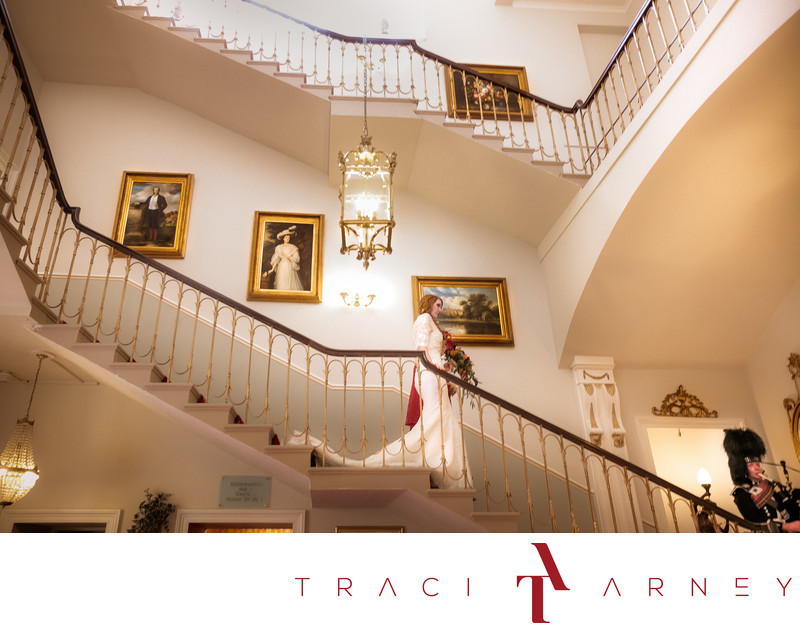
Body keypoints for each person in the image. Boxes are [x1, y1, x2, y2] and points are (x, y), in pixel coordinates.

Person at [287, 294, 473, 489]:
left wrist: (445, 366)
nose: (440, 309)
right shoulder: (424, 319)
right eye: (437, 304)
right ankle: (430, 457)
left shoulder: (435, 325)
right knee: (436, 413)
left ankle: (439, 459)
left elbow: (435, 350)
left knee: (441, 414)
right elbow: (421, 348)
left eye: (441, 305)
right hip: (429, 371)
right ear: (428, 304)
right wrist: (434, 366)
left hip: (437, 371)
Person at [723, 428, 800, 532]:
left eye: (757, 464)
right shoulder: (741, 494)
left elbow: (789, 496)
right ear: (741, 468)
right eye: (751, 465)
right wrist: (788, 526)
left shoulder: (770, 483)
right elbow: (755, 522)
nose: (757, 467)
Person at [262, 226, 304, 291]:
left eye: (289, 237)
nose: (288, 239)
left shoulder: (293, 248)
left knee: (290, 284)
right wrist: (272, 269)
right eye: (286, 237)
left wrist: (288, 256)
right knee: (281, 284)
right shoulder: (279, 247)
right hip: (281, 268)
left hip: (289, 267)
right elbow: (276, 260)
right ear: (283, 238)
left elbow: (297, 259)